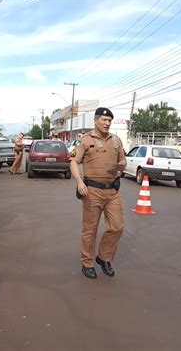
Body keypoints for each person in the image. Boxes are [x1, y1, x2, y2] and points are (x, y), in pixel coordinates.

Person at [70, 107, 127, 279]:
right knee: (90, 230)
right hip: (92, 191)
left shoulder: (116, 140)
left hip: (113, 191)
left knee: (117, 227)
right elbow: (74, 162)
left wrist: (120, 165)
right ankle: (87, 263)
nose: (107, 123)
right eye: (104, 120)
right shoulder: (85, 140)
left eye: (109, 120)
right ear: (95, 120)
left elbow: (123, 160)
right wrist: (80, 182)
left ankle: (103, 257)